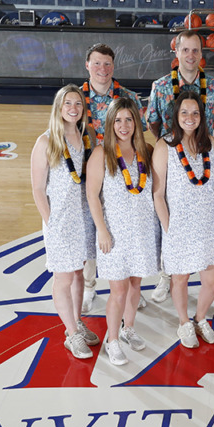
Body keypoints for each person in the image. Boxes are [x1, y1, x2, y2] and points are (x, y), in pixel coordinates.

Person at [145, 29, 214, 302]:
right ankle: (168, 275)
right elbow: (153, 123)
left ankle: (209, 277)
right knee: (169, 217)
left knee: (205, 217)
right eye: (185, 50)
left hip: (203, 157)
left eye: (195, 50)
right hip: (171, 159)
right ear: (176, 52)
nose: (190, 55)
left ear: (201, 55)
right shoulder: (160, 86)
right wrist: (167, 152)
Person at [85, 97, 159, 366]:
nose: (124, 125)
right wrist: (102, 231)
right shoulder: (101, 154)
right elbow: (92, 195)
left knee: (135, 285)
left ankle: (129, 329)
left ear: (136, 123)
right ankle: (112, 339)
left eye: (129, 119)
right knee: (118, 291)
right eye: (118, 120)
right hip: (114, 233)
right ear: (110, 123)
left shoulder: (146, 151)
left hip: (142, 230)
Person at [29, 85, 100, 359]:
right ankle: (71, 334)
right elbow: (37, 188)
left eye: (78, 104)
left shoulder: (86, 137)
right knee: (63, 276)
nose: (73, 108)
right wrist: (51, 221)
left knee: (79, 272)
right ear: (59, 108)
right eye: (68, 103)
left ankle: (77, 321)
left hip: (82, 216)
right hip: (59, 219)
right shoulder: (46, 141)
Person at [151, 90, 214, 348]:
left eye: (195, 113)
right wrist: (169, 228)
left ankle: (200, 318)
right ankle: (184, 323)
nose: (190, 117)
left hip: (207, 223)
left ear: (202, 116)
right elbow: (158, 194)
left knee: (212, 280)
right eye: (184, 112)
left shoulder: (210, 144)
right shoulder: (165, 145)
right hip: (178, 225)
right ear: (176, 115)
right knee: (180, 279)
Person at [79, 42, 146, 313]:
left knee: (125, 232)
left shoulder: (129, 97)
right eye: (96, 63)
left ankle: (131, 290)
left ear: (113, 66)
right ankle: (88, 285)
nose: (102, 69)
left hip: (121, 175)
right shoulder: (76, 98)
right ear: (87, 65)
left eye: (107, 64)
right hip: (86, 173)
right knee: (92, 230)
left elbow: (138, 135)